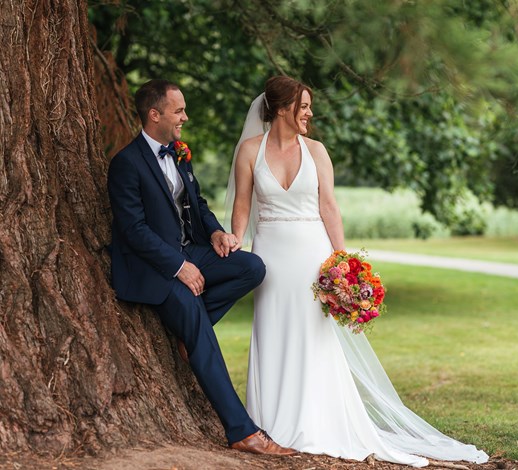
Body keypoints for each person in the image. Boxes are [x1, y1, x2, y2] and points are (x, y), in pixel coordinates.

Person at [225, 76, 489, 466]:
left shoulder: (316, 151)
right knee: (274, 332)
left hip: (312, 257)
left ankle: (319, 421)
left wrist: (344, 264)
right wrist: (234, 240)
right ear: (281, 109)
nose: (310, 113)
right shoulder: (250, 150)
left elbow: (329, 207)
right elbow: (243, 208)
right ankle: (270, 423)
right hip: (271, 258)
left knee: (314, 340)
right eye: (303, 106)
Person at [107, 79, 296, 456]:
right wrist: (179, 267)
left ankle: (191, 332)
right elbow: (134, 230)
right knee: (197, 327)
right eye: (179, 111)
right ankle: (242, 431)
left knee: (252, 268)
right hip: (154, 269)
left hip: (192, 251)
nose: (185, 117)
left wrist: (216, 234)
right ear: (154, 114)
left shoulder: (179, 153)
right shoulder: (126, 163)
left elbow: (199, 202)